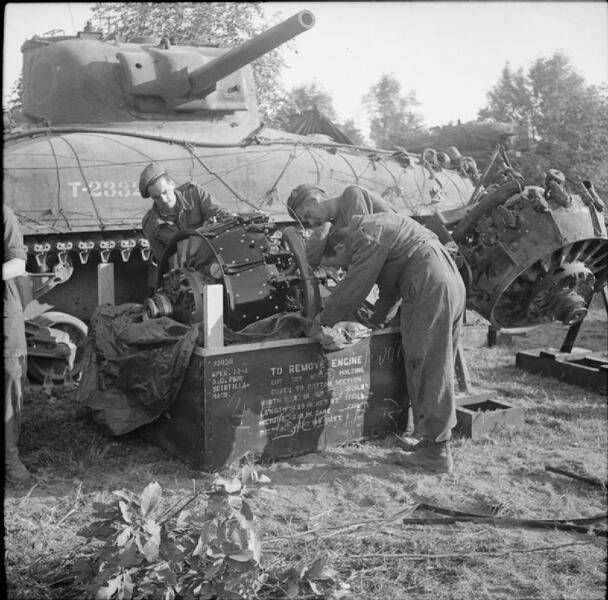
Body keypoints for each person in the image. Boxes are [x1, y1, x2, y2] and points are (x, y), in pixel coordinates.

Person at [306, 213, 466, 474]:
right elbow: (390, 286)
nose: (337, 270)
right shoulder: (375, 228)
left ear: (337, 247)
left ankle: (437, 452)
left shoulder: (366, 236)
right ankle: (431, 442)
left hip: (429, 283)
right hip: (446, 278)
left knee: (428, 364)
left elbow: (355, 286)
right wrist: (377, 320)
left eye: (333, 264)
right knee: (435, 361)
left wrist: (322, 321)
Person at [140, 163, 231, 262]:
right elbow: (163, 261)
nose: (164, 200)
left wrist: (204, 231)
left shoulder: (194, 193)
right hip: (187, 270)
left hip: (215, 256)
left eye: (165, 192)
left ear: (172, 184)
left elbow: (224, 217)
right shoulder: (150, 224)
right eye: (156, 197)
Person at [4, 206, 31, 484]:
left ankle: (10, 458)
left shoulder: (5, 216)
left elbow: (18, 264)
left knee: (10, 378)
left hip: (4, 313)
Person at [286, 183, 397, 229]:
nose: (311, 222)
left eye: (308, 215)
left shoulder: (352, 194)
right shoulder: (337, 223)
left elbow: (362, 240)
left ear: (314, 199)